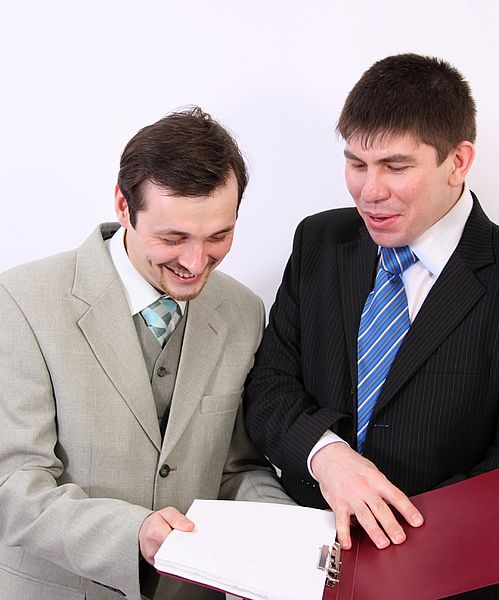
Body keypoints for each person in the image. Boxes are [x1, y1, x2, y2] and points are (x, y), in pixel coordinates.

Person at [244, 53, 499, 599]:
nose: (369, 191)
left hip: (446, 584)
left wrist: (407, 550)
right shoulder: (318, 241)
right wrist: (326, 456)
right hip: (304, 574)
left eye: (396, 167)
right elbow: (269, 388)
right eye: (357, 163)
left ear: (458, 160)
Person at [0, 106, 293, 600]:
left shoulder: (244, 310)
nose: (196, 263)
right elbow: (13, 485)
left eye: (219, 236)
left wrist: (288, 530)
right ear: (122, 204)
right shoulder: (20, 301)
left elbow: (238, 468)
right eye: (172, 238)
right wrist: (133, 534)